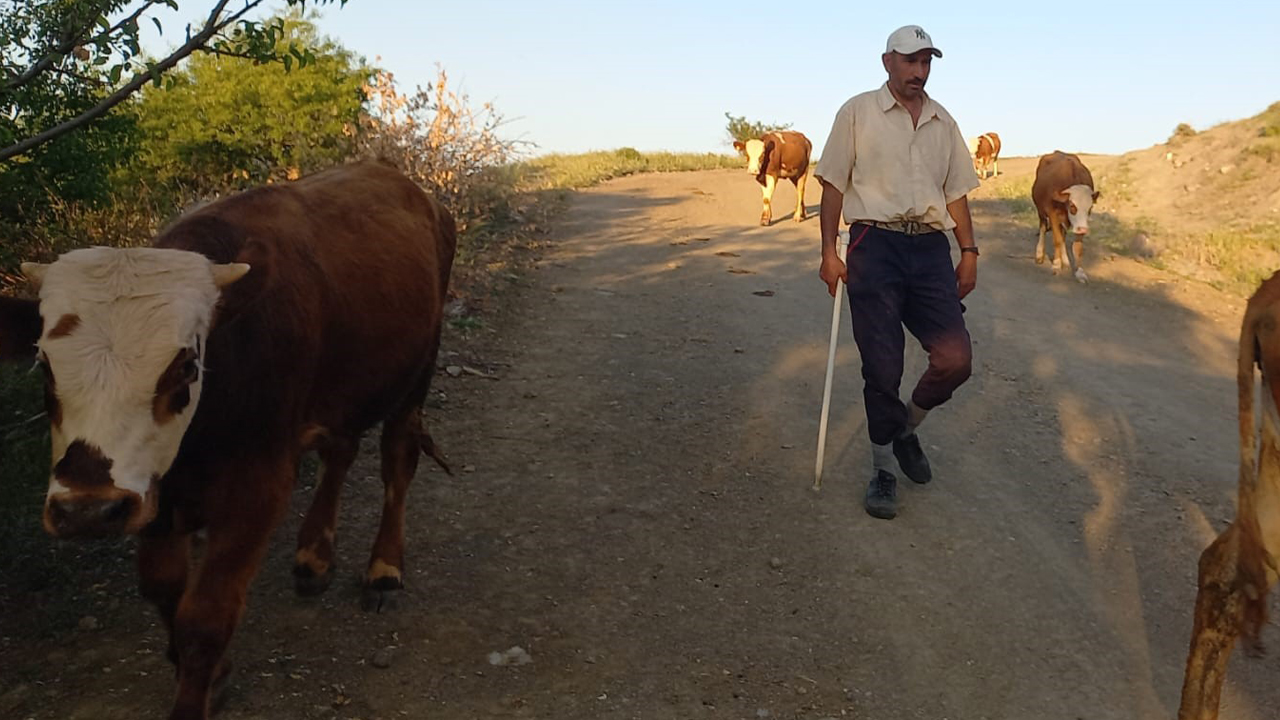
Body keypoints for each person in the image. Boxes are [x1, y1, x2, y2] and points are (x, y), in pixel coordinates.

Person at [814, 24, 981, 520]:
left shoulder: (942, 121)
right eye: (910, 61)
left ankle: (907, 425)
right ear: (887, 62)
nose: (920, 71)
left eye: (927, 61)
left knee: (955, 357)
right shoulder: (857, 112)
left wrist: (967, 251)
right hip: (874, 243)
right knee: (882, 366)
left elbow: (956, 192)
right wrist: (828, 251)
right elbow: (833, 186)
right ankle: (883, 468)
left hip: (929, 248)